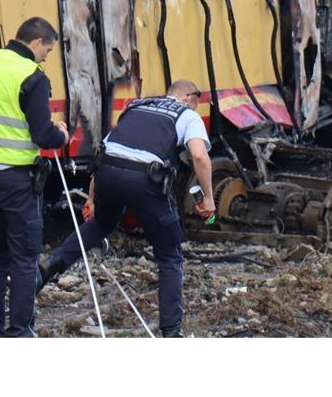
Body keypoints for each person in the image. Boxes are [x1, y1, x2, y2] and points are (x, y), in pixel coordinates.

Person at [39, 79, 216, 338]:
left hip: (108, 172)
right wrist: (209, 197)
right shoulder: (187, 115)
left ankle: (47, 268)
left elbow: (107, 151)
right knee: (169, 254)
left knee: (100, 223)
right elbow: (199, 155)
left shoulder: (136, 107)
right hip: (145, 179)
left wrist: (91, 198)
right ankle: (172, 332)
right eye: (197, 103)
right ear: (189, 97)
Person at [0, 16, 68, 337]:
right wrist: (60, 134)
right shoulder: (31, 76)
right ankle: (20, 332)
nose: (46, 56)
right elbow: (43, 136)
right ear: (36, 43)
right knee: (23, 259)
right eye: (47, 50)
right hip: (16, 181)